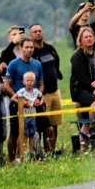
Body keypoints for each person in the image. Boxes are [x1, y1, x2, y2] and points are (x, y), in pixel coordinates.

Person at [3, 38, 44, 163]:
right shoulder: (13, 64)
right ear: (21, 48)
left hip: (34, 104)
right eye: (26, 47)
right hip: (18, 103)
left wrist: (38, 98)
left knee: (41, 129)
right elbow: (6, 85)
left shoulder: (38, 64)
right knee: (15, 132)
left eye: (31, 47)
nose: (29, 49)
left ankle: (37, 154)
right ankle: (12, 160)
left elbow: (41, 85)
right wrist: (20, 99)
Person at [70, 26, 95, 149]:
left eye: (90, 36)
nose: (89, 39)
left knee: (84, 122)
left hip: (93, 90)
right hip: (80, 89)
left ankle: (83, 149)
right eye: (85, 37)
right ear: (80, 40)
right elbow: (81, 75)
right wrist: (93, 89)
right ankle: (93, 127)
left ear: (94, 38)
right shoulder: (78, 55)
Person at [30, 24, 61, 154]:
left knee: (55, 123)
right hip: (43, 93)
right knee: (43, 124)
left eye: (40, 31)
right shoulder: (32, 52)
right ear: (31, 35)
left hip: (55, 90)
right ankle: (39, 151)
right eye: (35, 31)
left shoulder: (50, 48)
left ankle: (51, 150)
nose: (38, 33)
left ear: (43, 33)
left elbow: (57, 61)